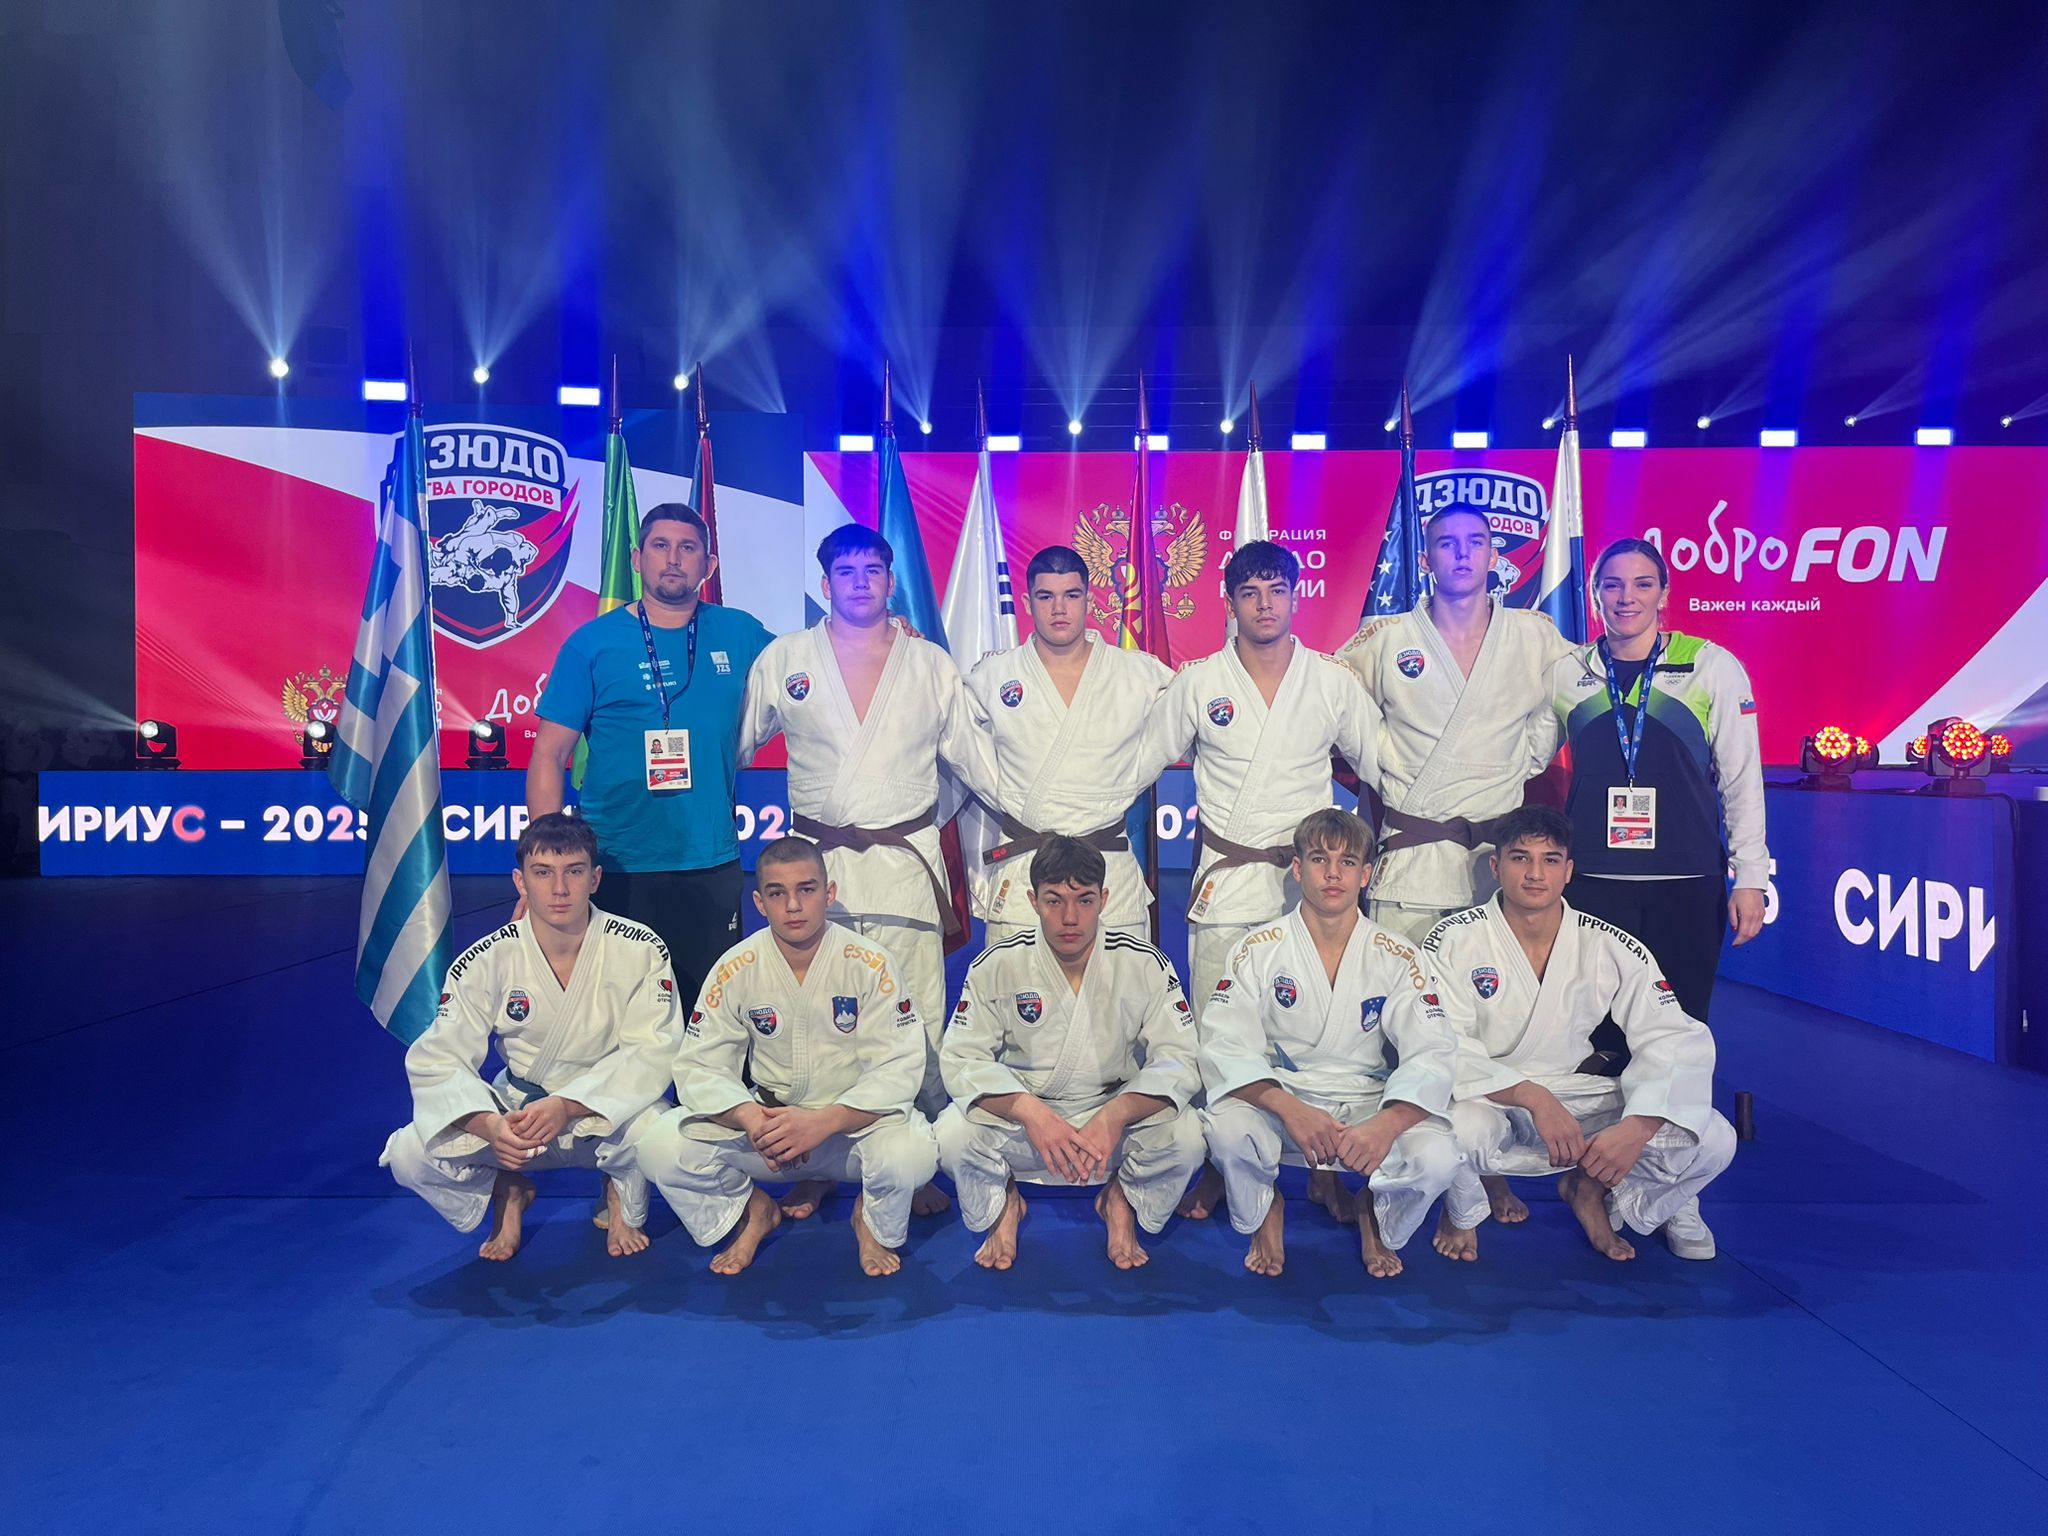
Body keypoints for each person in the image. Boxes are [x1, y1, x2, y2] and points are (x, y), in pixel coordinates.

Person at [1133, 538, 1383, 1219]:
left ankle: (1320, 1164)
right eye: (1250, 593)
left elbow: (1382, 766)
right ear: (1231, 603)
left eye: (1276, 590)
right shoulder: (1198, 682)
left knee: (1312, 1031)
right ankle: (1224, 1160)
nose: (1264, 605)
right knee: (1222, 1029)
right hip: (1230, 879)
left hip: (1313, 888)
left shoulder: (1331, 682)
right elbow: (1139, 764)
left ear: (1296, 597)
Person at [1425, 805, 1736, 1263]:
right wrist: (1532, 1096)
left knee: (1714, 1137)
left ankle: (1591, 1188)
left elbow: (1672, 1036)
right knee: (1455, 1128)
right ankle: (1463, 1210)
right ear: (1495, 866)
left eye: (1550, 860)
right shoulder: (1452, 939)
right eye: (1520, 858)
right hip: (1488, 1095)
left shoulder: (1608, 943)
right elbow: (1441, 1042)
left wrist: (1639, 1124)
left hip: (1574, 1092)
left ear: (1568, 872)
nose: (1535, 874)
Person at [379, 813, 679, 1261]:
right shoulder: (486, 959)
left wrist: (568, 1106)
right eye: (542, 872)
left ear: (595, 878)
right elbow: (438, 1059)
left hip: (604, 1115)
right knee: (409, 1152)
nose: (559, 888)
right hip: (521, 1119)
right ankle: (507, 1188)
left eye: (574, 871)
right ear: (520, 881)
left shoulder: (640, 948)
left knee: (663, 1135)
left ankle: (621, 1190)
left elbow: (652, 1051)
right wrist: (489, 1126)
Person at [635, 837, 939, 1277]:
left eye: (806, 889)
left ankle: (870, 1220)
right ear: (759, 902)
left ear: (829, 893)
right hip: (771, 1133)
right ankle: (752, 1212)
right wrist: (751, 1119)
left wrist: (824, 1122)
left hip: (848, 1130)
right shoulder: (736, 966)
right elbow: (698, 1066)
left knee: (914, 1155)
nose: (793, 905)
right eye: (777, 893)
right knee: (658, 1148)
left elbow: (899, 1066)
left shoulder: (871, 963)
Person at [1198, 808, 1465, 1278]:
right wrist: (1290, 1109)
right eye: (1320, 859)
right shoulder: (1258, 948)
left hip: (1366, 1100)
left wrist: (1387, 1123)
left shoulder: (1399, 955)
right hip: (1285, 1093)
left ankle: (1376, 1210)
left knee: (1438, 1158)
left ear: (1366, 874)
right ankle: (1265, 1205)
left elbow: (1432, 1051)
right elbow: (1226, 1046)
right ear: (1297, 869)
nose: (1333, 874)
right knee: (1227, 1130)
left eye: (1347, 862)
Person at [530, 503, 773, 1010]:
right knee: (616, 1013)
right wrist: (546, 862)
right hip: (616, 863)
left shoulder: (742, 632)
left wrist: (885, 629)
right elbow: (550, 755)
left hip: (710, 862)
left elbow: (819, 665)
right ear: (638, 559)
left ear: (708, 565)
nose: (673, 558)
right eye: (660, 546)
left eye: (688, 548)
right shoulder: (591, 644)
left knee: (709, 1014)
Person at [935, 835, 1204, 1270]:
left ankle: (1122, 1198)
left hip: (1110, 1118)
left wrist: (1116, 1115)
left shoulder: (1144, 962)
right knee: (951, 1135)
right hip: (1029, 1118)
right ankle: (1004, 1203)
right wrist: (1031, 1113)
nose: (1070, 918)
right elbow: (962, 1058)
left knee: (1188, 1137)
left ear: (1104, 900)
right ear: (1033, 901)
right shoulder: (997, 964)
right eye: (1054, 901)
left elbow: (1180, 1057)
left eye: (1084, 900)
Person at [1531, 537, 1768, 1025]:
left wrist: (1750, 878)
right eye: (1612, 585)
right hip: (1594, 881)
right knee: (1597, 1033)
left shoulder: (1710, 666)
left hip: (1686, 880)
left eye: (1642, 585)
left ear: (1664, 593)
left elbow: (1742, 779)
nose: (1627, 598)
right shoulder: (1567, 673)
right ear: (1594, 595)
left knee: (1680, 1028)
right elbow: (1523, 761)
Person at [1337, 506, 1572, 943]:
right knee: (1404, 985)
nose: (1463, 554)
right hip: (1413, 864)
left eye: (1475, 543)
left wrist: (1525, 759)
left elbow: (1569, 697)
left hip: (1499, 867)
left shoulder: (1535, 635)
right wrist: (1384, 764)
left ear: (1493, 556)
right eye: (1447, 544)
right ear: (1425, 560)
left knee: (1498, 987)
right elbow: (1333, 703)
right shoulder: (1387, 638)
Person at [963, 545, 1174, 943]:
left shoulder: (1138, 673)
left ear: (1089, 600)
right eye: (1046, 596)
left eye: (1071, 595)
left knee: (1121, 982)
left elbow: (1193, 719)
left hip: (1107, 868)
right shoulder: (994, 674)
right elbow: (947, 732)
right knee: (1015, 983)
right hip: (1026, 868)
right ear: (1027, 602)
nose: (1059, 608)